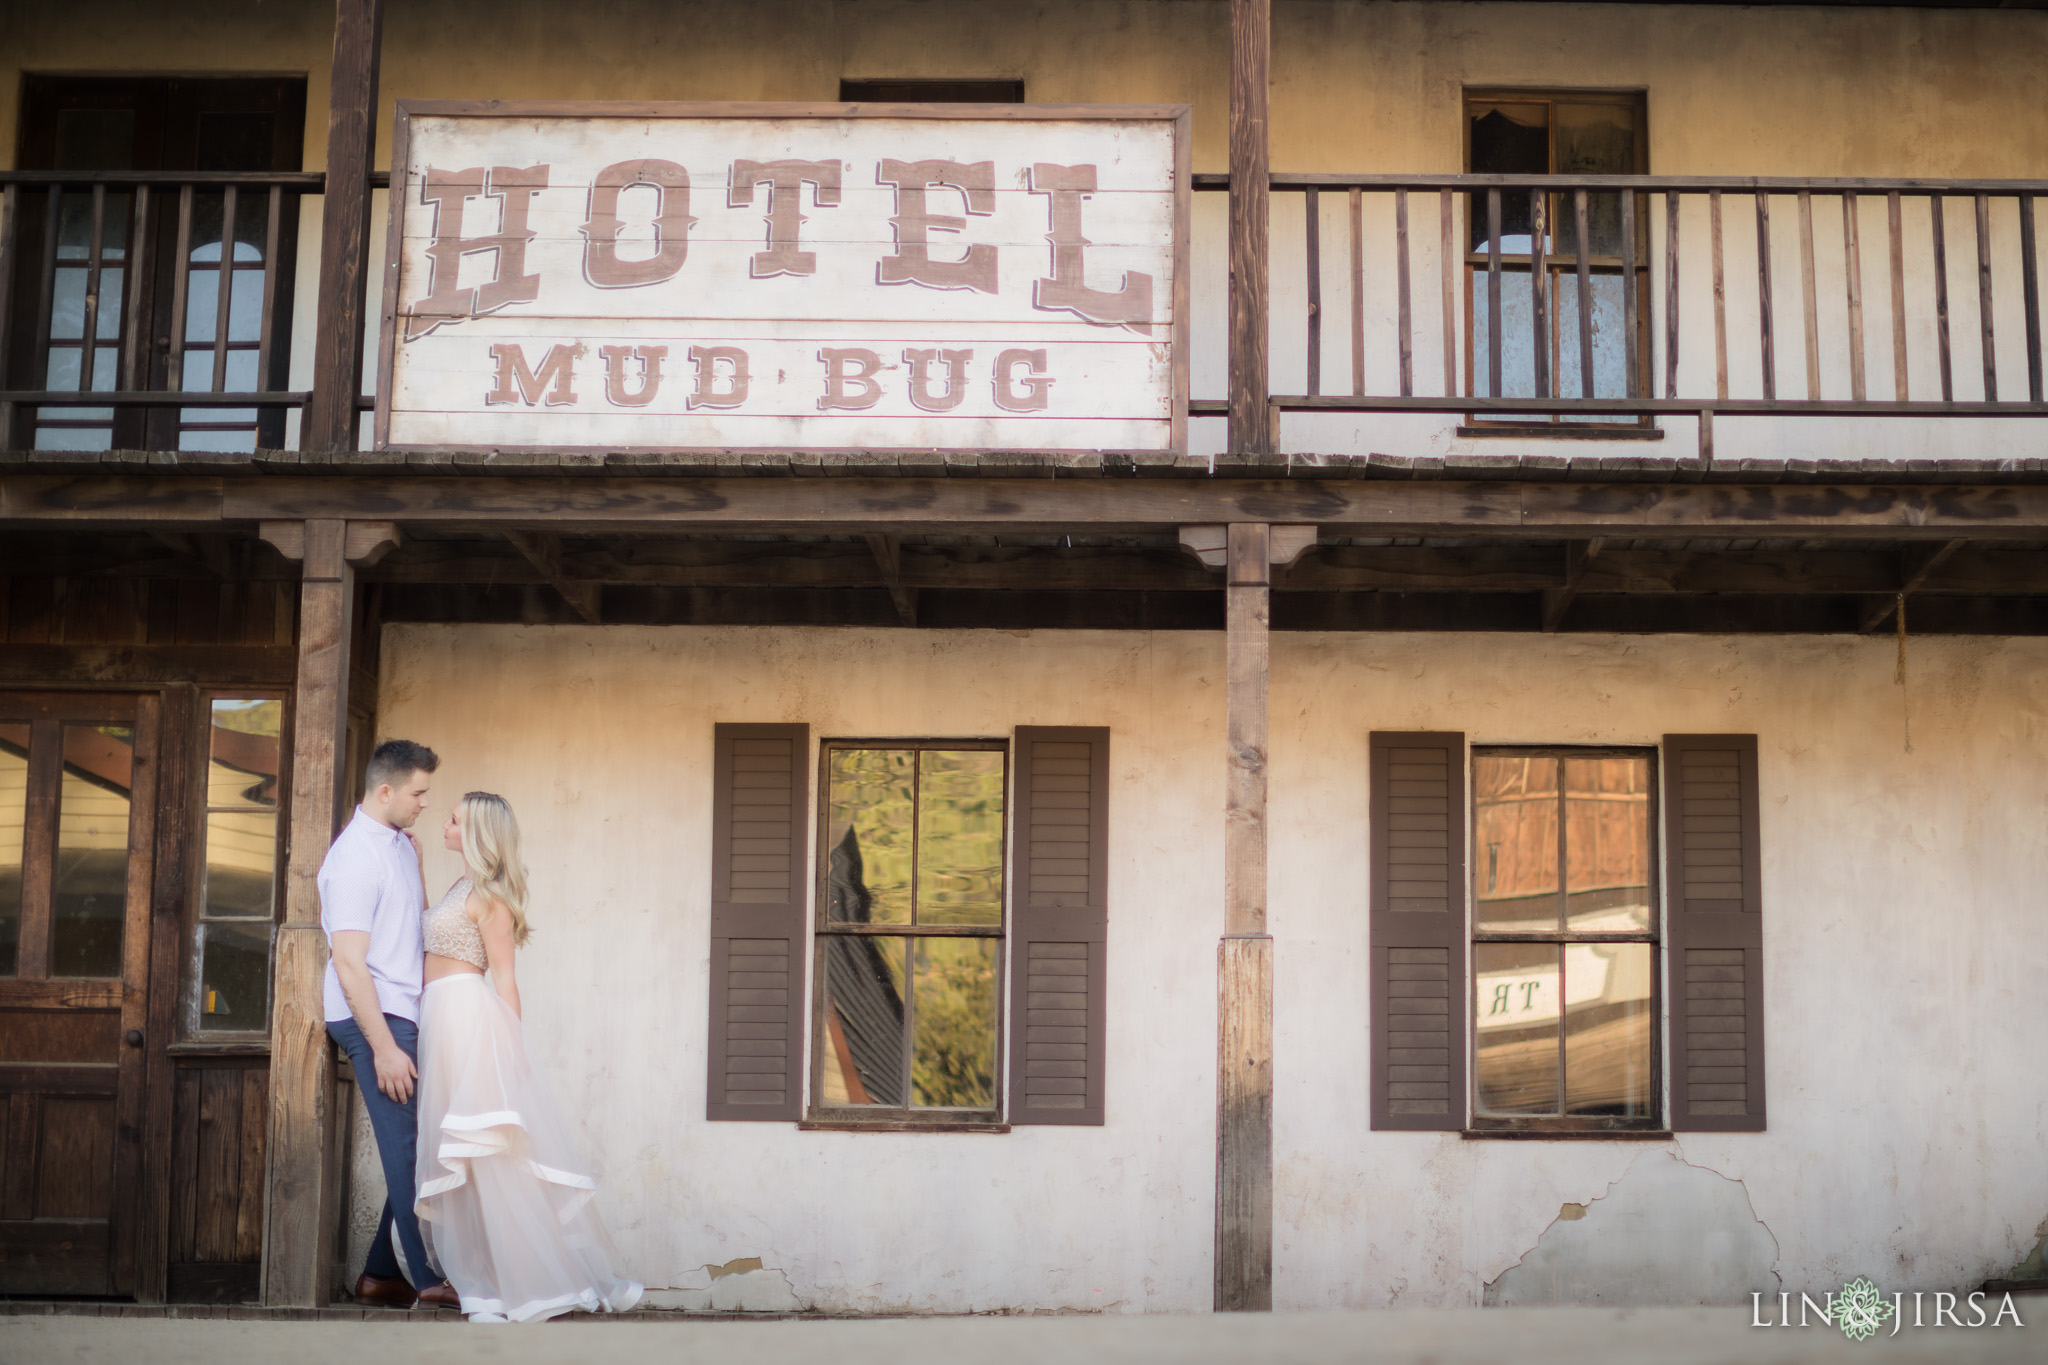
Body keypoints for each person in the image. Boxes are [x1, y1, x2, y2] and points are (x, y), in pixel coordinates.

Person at [415, 791, 643, 1323]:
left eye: (453, 820)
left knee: (488, 1153)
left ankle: (518, 1286)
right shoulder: (459, 886)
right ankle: (481, 1285)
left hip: (468, 1022)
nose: (444, 824)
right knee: (461, 1154)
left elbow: (506, 981)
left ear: (475, 832)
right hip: (440, 1021)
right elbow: (437, 932)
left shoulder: (490, 898)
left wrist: (513, 1049)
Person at [321, 740, 460, 1309]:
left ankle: (381, 1274)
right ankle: (430, 1279)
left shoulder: (401, 845)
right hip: (373, 1016)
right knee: (409, 1149)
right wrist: (382, 1046)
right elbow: (350, 962)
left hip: (406, 1011)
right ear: (385, 791)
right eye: (418, 792)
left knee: (420, 1142)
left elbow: (413, 929)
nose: (426, 802)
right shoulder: (353, 857)